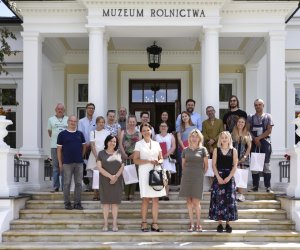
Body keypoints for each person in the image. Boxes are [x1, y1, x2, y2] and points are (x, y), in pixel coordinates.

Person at [133, 123, 165, 232]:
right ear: (141, 132)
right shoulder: (138, 144)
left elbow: (161, 158)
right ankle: (144, 222)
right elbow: (135, 160)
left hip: (156, 171)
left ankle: (155, 223)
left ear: (151, 131)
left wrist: (158, 161)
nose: (146, 132)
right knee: (146, 198)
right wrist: (148, 161)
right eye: (144, 130)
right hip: (144, 172)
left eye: (148, 130)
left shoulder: (156, 143)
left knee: (156, 199)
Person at [179, 129, 208, 232]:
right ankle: (191, 224)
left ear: (199, 138)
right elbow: (183, 165)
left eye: (196, 136)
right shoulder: (185, 150)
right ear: (189, 138)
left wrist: (200, 175)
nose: (194, 138)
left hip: (198, 177)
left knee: (196, 201)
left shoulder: (203, 149)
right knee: (189, 201)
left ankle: (198, 223)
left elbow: (206, 166)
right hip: (187, 176)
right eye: (192, 136)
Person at [209, 131, 238, 233]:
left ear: (229, 139)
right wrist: (218, 177)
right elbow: (214, 165)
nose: (224, 139)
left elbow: (235, 165)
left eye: (226, 137)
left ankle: (228, 224)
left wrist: (229, 177)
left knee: (229, 200)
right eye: (222, 138)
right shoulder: (216, 150)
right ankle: (220, 224)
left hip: (229, 178)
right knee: (218, 200)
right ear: (220, 139)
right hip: (219, 177)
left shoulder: (233, 150)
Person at [57, 115, 86, 210]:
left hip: (79, 163)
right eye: (71, 121)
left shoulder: (80, 134)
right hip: (67, 163)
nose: (73, 123)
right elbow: (59, 150)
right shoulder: (62, 134)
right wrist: (60, 163)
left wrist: (81, 156)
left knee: (78, 183)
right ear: (68, 122)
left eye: (75, 121)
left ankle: (77, 203)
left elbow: (84, 146)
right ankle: (67, 203)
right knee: (66, 184)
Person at [97, 135, 124, 232]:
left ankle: (114, 223)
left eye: (114, 141)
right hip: (105, 181)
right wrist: (110, 176)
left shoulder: (119, 153)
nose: (112, 143)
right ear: (106, 142)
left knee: (115, 203)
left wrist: (116, 177)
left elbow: (122, 166)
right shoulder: (101, 153)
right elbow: (99, 168)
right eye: (110, 141)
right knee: (105, 203)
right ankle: (105, 223)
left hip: (117, 181)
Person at [247, 99, 274, 192]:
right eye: (256, 105)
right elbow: (247, 130)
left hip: (265, 142)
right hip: (254, 143)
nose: (257, 106)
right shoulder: (250, 117)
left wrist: (259, 138)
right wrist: (255, 139)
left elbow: (269, 130)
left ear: (263, 105)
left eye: (259, 104)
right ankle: (255, 186)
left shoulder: (268, 117)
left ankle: (268, 186)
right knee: (255, 165)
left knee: (266, 165)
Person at [86, 116, 110, 200]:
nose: (101, 124)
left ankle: (102, 194)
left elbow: (108, 145)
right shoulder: (93, 132)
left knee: (103, 176)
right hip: (95, 156)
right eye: (100, 122)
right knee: (95, 176)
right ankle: (95, 194)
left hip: (104, 156)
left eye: (103, 122)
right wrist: (97, 157)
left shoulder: (107, 132)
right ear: (96, 123)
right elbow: (92, 145)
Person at [47, 103, 68, 192]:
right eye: (58, 109)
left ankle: (64, 187)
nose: (60, 110)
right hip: (54, 146)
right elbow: (50, 132)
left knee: (65, 166)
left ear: (64, 110)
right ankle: (56, 186)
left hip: (66, 146)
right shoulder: (50, 119)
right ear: (56, 110)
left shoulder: (67, 119)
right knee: (55, 166)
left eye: (62, 109)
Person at [119, 115, 140, 201]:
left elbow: (140, 145)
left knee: (134, 174)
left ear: (136, 122)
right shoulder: (123, 132)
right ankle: (126, 193)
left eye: (133, 122)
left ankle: (131, 193)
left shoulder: (139, 133)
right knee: (126, 174)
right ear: (127, 122)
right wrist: (123, 153)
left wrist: (134, 154)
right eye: (130, 122)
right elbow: (120, 143)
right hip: (125, 155)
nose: (131, 123)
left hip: (135, 156)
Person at [231, 117, 252, 201]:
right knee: (235, 176)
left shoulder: (247, 134)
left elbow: (249, 147)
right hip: (234, 158)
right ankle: (235, 194)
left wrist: (245, 157)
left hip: (244, 159)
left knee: (242, 176)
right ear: (237, 123)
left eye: (242, 122)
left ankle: (241, 195)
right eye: (239, 122)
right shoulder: (232, 134)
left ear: (244, 124)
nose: (240, 123)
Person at [155, 122, 176, 200]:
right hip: (158, 159)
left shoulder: (171, 136)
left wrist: (167, 154)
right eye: (161, 126)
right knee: (159, 177)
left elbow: (173, 146)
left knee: (167, 177)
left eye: (165, 126)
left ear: (167, 127)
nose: (163, 127)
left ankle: (166, 194)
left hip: (167, 159)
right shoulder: (156, 136)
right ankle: (160, 194)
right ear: (159, 127)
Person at [78, 103, 96, 190]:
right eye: (89, 108)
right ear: (86, 109)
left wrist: (91, 144)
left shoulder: (96, 121)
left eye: (92, 108)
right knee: (84, 167)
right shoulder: (81, 121)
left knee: (92, 166)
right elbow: (80, 134)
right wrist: (85, 144)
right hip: (84, 147)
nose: (91, 110)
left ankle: (93, 185)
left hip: (93, 148)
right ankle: (86, 185)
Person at [177, 111, 196, 180]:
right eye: (183, 117)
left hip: (192, 149)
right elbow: (179, 139)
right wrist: (184, 148)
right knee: (184, 168)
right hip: (182, 149)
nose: (184, 118)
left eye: (186, 116)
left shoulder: (194, 127)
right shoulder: (180, 127)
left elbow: (196, 138)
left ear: (189, 117)